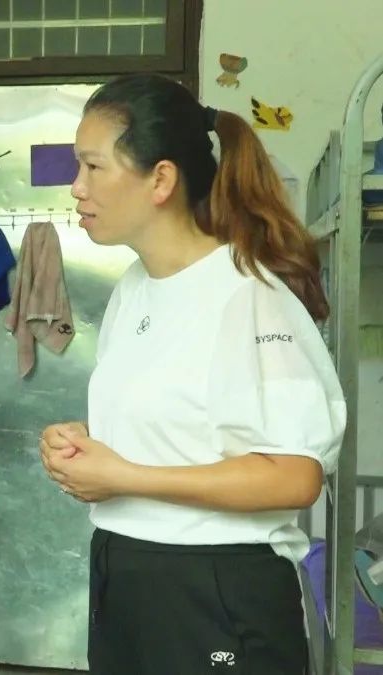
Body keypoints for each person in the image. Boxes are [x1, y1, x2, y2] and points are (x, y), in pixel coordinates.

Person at [40, 73, 346, 675]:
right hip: (125, 571)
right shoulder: (135, 289)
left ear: (161, 180)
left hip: (216, 588)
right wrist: (87, 445)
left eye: (93, 166)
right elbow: (181, 430)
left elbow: (294, 476)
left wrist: (123, 475)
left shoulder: (249, 295)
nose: (76, 186)